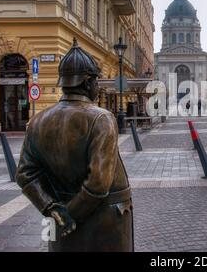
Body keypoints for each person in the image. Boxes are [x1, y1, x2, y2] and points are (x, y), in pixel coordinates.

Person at [16, 39, 133, 252]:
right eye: (96, 81)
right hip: (103, 222)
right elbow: (98, 183)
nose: (97, 86)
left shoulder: (38, 120)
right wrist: (70, 215)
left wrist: (53, 210)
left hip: (60, 220)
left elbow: (24, 174)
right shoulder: (101, 118)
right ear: (88, 82)